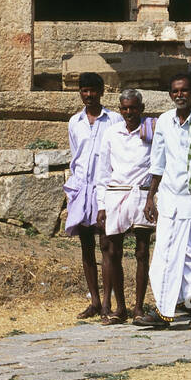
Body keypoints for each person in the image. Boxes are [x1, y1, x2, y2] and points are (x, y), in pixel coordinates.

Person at [135, 72, 191, 330]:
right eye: (175, 91)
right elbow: (158, 161)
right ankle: (165, 312)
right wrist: (150, 197)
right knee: (164, 257)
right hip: (170, 200)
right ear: (170, 94)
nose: (180, 95)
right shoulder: (164, 121)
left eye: (184, 90)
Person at [65, 72, 124, 320]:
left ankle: (110, 304)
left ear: (102, 91)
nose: (88, 95)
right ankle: (95, 302)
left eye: (93, 90)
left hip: (105, 188)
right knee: (86, 245)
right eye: (84, 90)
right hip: (81, 188)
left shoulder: (115, 120)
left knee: (107, 246)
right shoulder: (74, 122)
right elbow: (75, 156)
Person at [98, 88, 156, 323]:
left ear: (141, 108)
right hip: (116, 194)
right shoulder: (112, 133)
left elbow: (158, 163)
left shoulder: (152, 130)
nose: (129, 112)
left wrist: (153, 197)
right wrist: (101, 204)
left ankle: (139, 307)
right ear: (120, 109)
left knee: (142, 252)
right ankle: (120, 307)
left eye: (133, 108)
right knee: (113, 252)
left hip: (142, 195)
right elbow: (103, 171)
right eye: (125, 108)